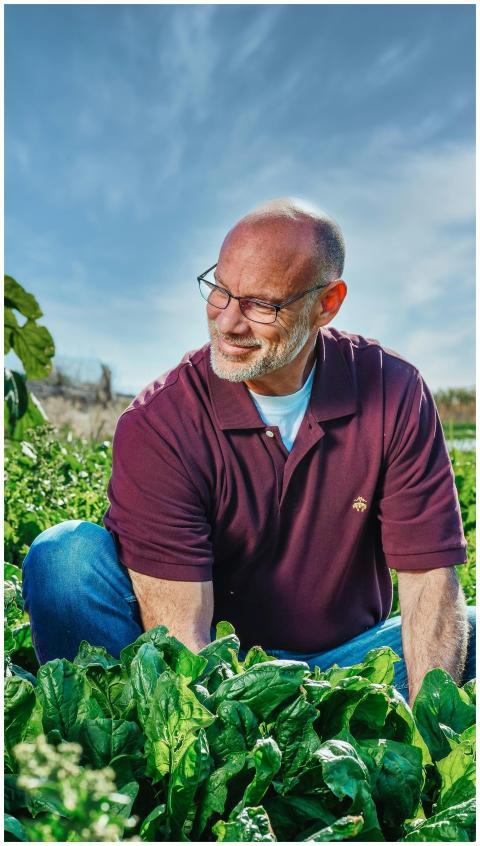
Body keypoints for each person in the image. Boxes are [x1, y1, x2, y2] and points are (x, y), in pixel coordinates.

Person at [22, 198, 475, 705]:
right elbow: (182, 639)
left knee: (469, 630)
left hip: (347, 663)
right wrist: (227, 728)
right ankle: (115, 728)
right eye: (220, 290)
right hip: (219, 671)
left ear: (327, 304)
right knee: (64, 558)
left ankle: (357, 719)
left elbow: (428, 577)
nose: (228, 323)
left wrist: (428, 726)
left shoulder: (393, 391)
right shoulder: (162, 422)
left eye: (261, 305)